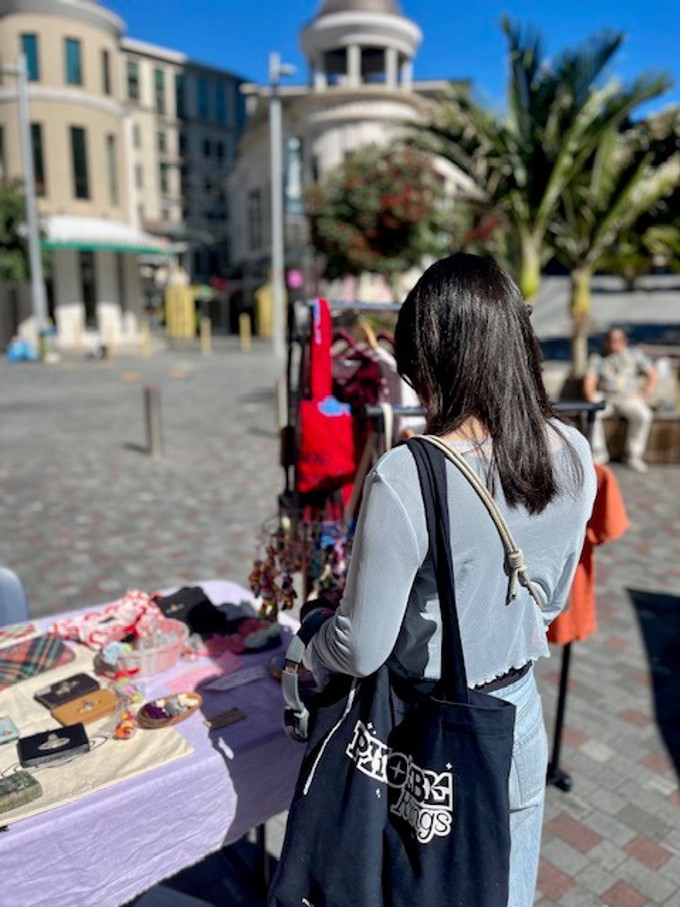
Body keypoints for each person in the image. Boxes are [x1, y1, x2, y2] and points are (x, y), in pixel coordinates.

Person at [302, 253, 596, 907]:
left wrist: (312, 645)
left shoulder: (410, 474)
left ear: (437, 363)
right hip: (515, 722)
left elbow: (362, 644)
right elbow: (548, 598)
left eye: (418, 377)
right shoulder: (575, 451)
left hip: (426, 735)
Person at [583, 326, 657, 472]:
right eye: (610, 340)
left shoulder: (635, 355)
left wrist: (646, 392)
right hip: (606, 396)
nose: (613, 343)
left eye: (617, 340)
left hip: (628, 397)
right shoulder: (598, 358)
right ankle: (599, 453)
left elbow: (652, 372)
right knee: (591, 412)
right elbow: (589, 380)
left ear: (624, 341)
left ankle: (634, 454)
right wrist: (590, 395)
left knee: (644, 415)